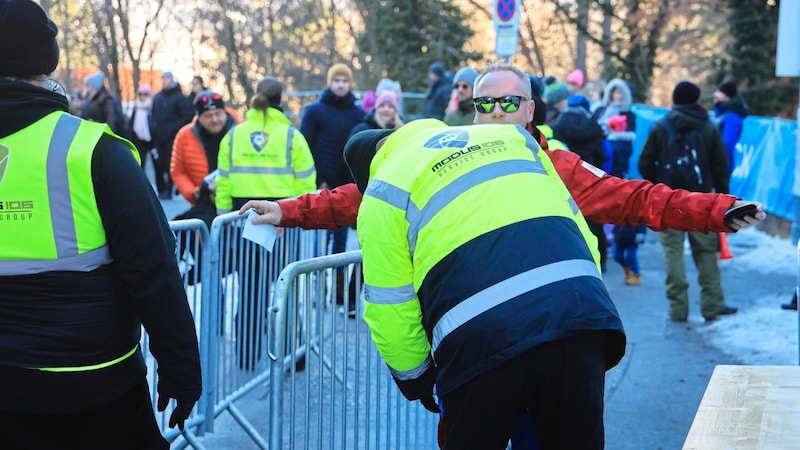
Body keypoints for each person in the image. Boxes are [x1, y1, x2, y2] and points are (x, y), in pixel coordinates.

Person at [344, 117, 626, 449]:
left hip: (483, 337)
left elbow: (390, 304)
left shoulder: (382, 191)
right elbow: (580, 232)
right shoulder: (511, 138)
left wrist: (417, 379)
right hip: (580, 315)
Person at [0, 1, 202, 448]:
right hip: (94, 390)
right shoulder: (92, 149)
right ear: (45, 62)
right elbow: (153, 270)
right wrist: (180, 365)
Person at [216, 76, 317, 369]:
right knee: (285, 286)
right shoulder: (291, 136)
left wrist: (227, 220)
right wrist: (299, 216)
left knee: (250, 288)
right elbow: (307, 182)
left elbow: (223, 182)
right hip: (284, 219)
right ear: (280, 100)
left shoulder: (234, 135)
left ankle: (247, 357)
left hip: (245, 221)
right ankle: (293, 358)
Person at [638, 80, 738, 322]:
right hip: (701, 201)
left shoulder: (661, 127)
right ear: (696, 100)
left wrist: (658, 185)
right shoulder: (708, 126)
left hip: (667, 201)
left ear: (674, 98)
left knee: (672, 252)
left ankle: (678, 308)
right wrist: (723, 198)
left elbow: (644, 163)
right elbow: (720, 165)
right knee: (705, 253)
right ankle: (712, 307)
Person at [299, 63, 364, 298]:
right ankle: (318, 286)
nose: (340, 85)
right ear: (330, 82)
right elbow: (305, 145)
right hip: (322, 183)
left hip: (346, 182)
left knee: (340, 239)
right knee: (319, 238)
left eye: (344, 81)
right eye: (336, 80)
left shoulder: (358, 114)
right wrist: (317, 179)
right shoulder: (315, 111)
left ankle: (337, 288)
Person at [552, 93, 609, 270]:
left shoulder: (558, 125)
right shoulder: (593, 127)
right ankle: (600, 259)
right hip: (589, 177)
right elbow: (601, 155)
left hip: (565, 177)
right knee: (594, 219)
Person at [171, 90, 238, 208]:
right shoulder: (185, 135)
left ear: (225, 112)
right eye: (208, 116)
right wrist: (193, 192)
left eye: (218, 113)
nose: (215, 119)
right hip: (203, 201)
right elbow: (178, 171)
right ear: (199, 117)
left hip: (238, 202)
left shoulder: (241, 132)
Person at [149, 70, 194, 199]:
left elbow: (185, 117)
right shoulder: (157, 98)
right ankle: (161, 189)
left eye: (166, 79)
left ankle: (169, 190)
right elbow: (153, 116)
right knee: (159, 162)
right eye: (163, 79)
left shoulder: (180, 98)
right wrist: (155, 128)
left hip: (173, 136)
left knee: (171, 163)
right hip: (159, 136)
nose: (164, 81)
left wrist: (172, 129)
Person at [595, 78, 637, 179]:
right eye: (617, 93)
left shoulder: (628, 114)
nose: (619, 96)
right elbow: (592, 126)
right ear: (611, 93)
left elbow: (630, 134)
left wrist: (612, 136)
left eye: (622, 93)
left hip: (618, 154)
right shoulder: (601, 110)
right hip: (598, 150)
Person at [713, 81, 748, 173]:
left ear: (727, 96)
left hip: (719, 169)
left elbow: (728, 144)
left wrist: (719, 168)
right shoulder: (722, 113)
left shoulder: (732, 117)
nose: (715, 94)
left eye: (719, 92)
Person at [79, 71, 127, 137]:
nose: (86, 87)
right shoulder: (91, 98)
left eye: (88, 85)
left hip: (101, 134)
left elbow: (110, 118)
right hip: (93, 133)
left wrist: (108, 135)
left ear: (94, 86)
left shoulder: (105, 98)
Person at [129, 83, 154, 166]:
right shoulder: (136, 107)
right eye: (140, 94)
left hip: (152, 140)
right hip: (138, 139)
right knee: (140, 162)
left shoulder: (153, 108)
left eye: (145, 94)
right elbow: (131, 123)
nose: (143, 96)